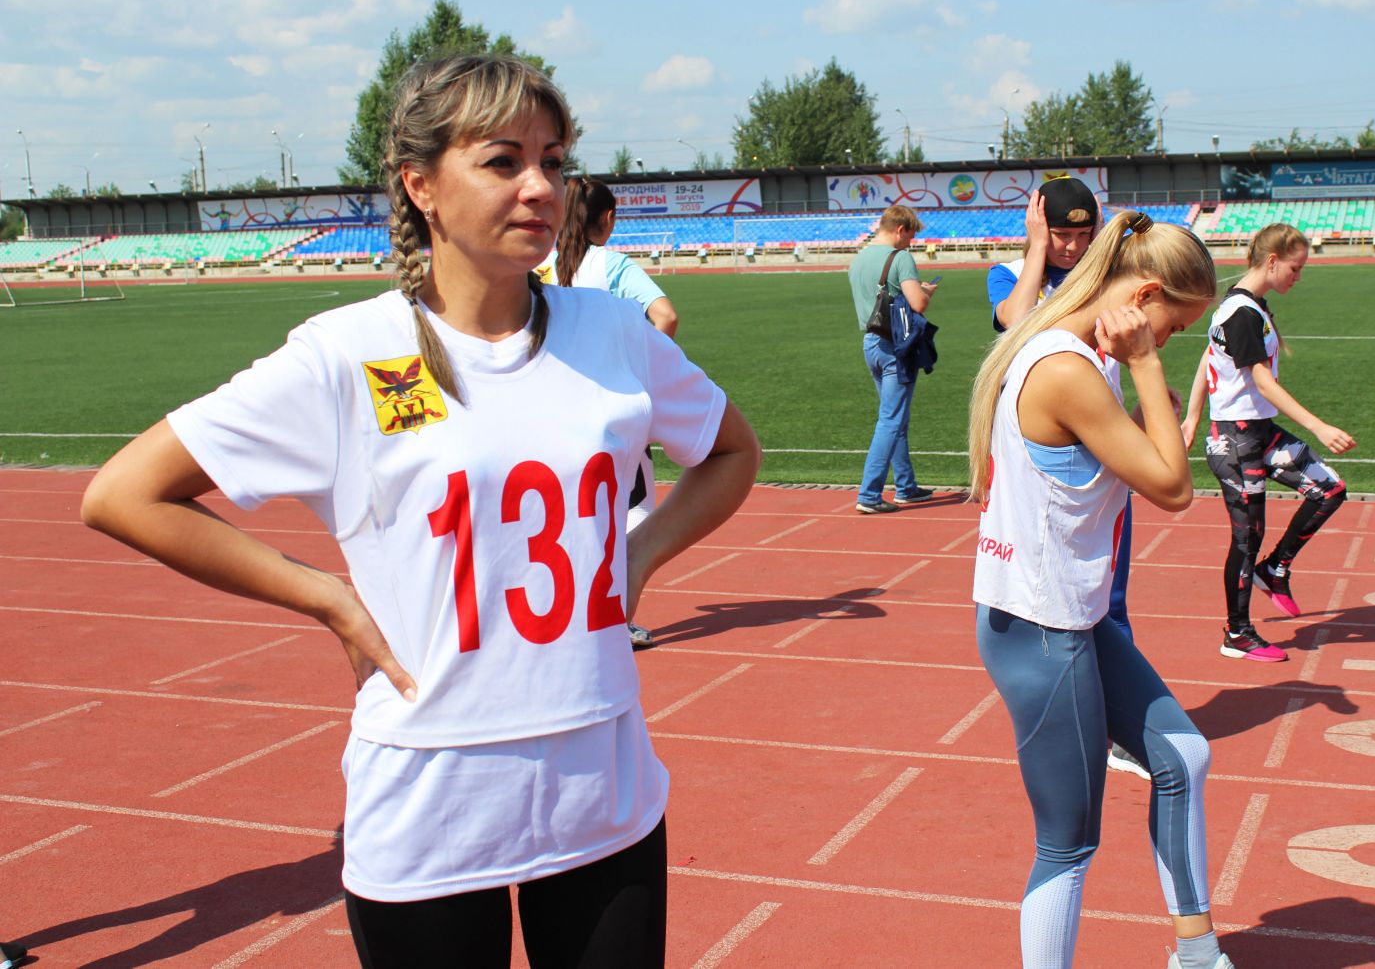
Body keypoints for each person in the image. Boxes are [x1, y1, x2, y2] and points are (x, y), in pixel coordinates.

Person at [79, 54, 761, 969]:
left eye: (554, 161)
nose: (540, 187)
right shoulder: (347, 353)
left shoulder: (615, 334)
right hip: (431, 801)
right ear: (420, 185)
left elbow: (731, 452)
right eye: (503, 160)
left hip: (605, 792)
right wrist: (327, 597)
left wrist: (639, 555)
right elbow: (123, 494)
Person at [970, 211, 1234, 969]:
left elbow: (1153, 450)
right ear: (1144, 296)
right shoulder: (1066, 370)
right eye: (1175, 324)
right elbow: (1172, 485)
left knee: (1184, 756)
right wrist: (1148, 363)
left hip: (1075, 615)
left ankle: (1197, 953)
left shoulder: (1086, 353)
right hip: (1037, 623)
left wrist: (1142, 362)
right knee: (1068, 839)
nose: (1172, 339)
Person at [988, 177, 1145, 780]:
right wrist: (1034, 249)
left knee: (1111, 595)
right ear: (1037, 225)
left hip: (1103, 460)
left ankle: (1118, 728)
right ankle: (1068, 725)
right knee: (1046, 603)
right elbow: (1017, 323)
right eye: (1061, 233)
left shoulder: (1104, 282)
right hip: (1039, 469)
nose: (1073, 247)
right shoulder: (1011, 273)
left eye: (1085, 234)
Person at [1181, 222, 1353, 663]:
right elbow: (1260, 380)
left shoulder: (1249, 305)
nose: (1298, 277)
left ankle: (1274, 569)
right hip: (1236, 441)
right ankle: (1236, 633)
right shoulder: (1240, 312)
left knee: (1329, 489)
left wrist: (1192, 416)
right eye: (1295, 268)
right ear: (1272, 261)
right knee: (1247, 536)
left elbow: (1208, 357)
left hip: (1259, 431)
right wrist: (1319, 426)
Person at [549, 177, 681, 650]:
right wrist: (640, 369)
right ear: (607, 220)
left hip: (549, 405)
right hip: (609, 406)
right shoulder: (612, 263)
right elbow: (665, 315)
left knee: (565, 512)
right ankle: (616, 618)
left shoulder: (538, 265)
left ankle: (560, 612)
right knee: (635, 510)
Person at [846, 204, 939, 513]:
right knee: (890, 420)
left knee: (895, 417)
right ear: (900, 230)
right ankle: (869, 494)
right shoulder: (900, 258)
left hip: (870, 344)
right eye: (910, 236)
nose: (911, 243)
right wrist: (927, 291)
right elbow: (918, 303)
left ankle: (906, 486)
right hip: (895, 348)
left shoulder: (858, 259)